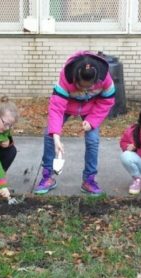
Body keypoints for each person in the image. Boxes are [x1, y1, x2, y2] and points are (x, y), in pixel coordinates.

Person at [34, 50, 116, 196]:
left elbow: (107, 101)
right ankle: (47, 177)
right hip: (67, 107)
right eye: (81, 86)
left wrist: (92, 121)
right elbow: (57, 108)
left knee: (93, 140)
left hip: (91, 109)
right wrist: (56, 137)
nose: (85, 89)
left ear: (96, 80)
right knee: (49, 135)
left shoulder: (105, 79)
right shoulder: (66, 77)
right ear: (75, 78)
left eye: (89, 87)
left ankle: (89, 180)